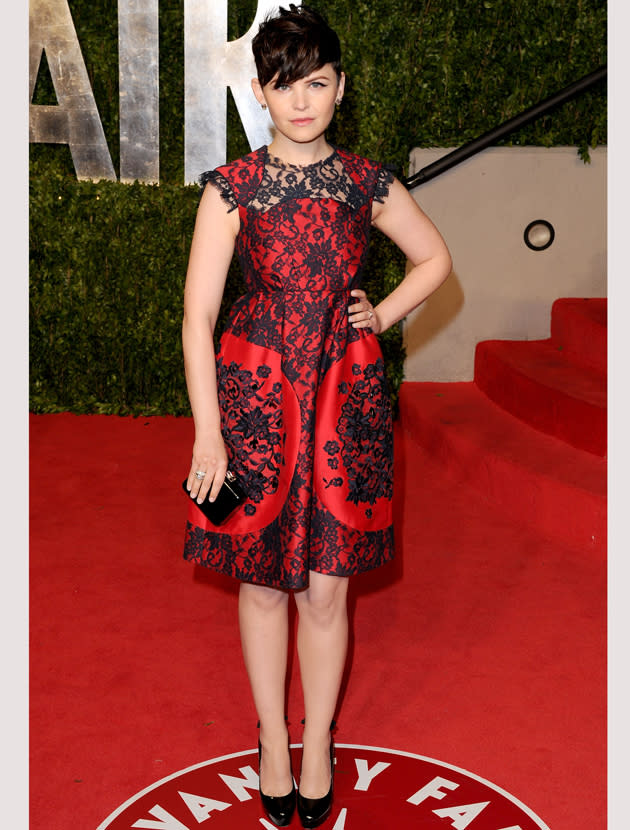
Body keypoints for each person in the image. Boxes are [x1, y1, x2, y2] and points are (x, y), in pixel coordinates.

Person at [181, 5, 451, 827]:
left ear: (341, 87)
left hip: (347, 398)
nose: (301, 100)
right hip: (256, 400)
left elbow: (435, 259)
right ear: (261, 92)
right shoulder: (234, 187)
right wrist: (207, 431)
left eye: (317, 83)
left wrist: (385, 311)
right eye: (283, 84)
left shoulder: (366, 183)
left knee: (329, 590)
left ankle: (319, 741)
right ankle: (271, 739)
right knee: (264, 585)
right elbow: (196, 319)